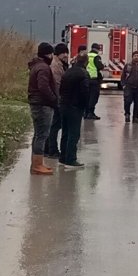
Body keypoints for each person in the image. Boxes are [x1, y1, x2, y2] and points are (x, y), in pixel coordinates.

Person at [27, 42, 58, 176]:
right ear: (48, 54)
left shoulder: (36, 66)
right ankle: (37, 165)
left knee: (38, 134)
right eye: (51, 53)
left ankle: (36, 163)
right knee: (42, 135)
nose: (52, 56)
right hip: (42, 105)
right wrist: (53, 99)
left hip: (37, 103)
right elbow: (43, 86)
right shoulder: (43, 68)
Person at [59, 52, 91, 169]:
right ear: (86, 62)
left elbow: (61, 88)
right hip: (75, 107)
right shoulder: (84, 74)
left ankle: (63, 157)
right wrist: (86, 107)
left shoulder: (68, 71)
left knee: (65, 132)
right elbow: (85, 92)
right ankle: (71, 159)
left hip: (64, 105)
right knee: (74, 134)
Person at [44, 43, 70, 158]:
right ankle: (52, 150)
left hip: (56, 99)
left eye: (66, 52)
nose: (66, 55)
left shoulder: (60, 64)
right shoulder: (56, 66)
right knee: (54, 126)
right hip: (57, 100)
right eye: (63, 53)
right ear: (57, 54)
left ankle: (48, 149)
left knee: (53, 125)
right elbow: (57, 84)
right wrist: (59, 100)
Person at [121, 51, 138, 123]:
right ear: (132, 57)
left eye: (137, 56)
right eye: (135, 56)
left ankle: (135, 117)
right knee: (127, 101)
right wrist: (124, 85)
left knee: (137, 103)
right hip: (129, 87)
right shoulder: (128, 66)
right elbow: (123, 76)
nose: (136, 57)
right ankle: (127, 114)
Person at [84, 43, 105, 120]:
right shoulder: (96, 56)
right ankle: (90, 113)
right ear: (97, 49)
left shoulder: (87, 55)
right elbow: (100, 66)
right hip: (94, 79)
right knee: (94, 97)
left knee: (87, 97)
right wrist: (103, 66)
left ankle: (86, 113)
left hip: (86, 79)